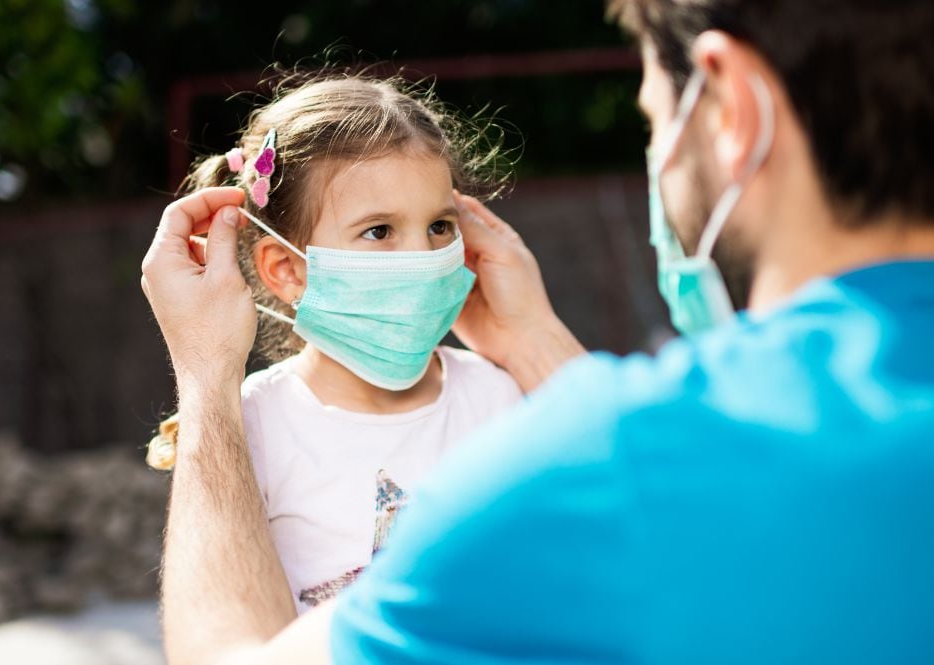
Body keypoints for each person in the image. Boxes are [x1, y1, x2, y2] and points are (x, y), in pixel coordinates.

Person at [139, 0, 934, 663]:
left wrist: (205, 372)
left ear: (734, 110)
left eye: (653, 119)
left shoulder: (609, 459)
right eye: (381, 231)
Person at [145, 75, 523, 614]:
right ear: (287, 271)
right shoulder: (246, 428)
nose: (422, 256)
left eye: (440, 226)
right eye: (379, 231)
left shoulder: (498, 395)